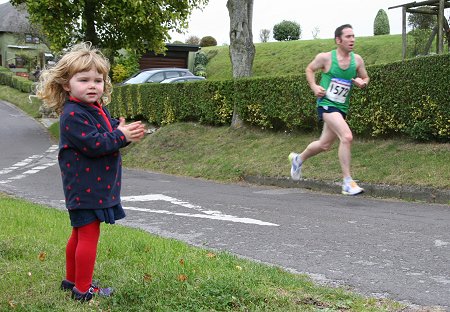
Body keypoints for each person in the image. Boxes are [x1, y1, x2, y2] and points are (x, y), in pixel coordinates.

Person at [36, 42, 146, 301]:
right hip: (85, 186)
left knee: (79, 231)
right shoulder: (73, 114)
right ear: (67, 84)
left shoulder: (94, 109)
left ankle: (72, 281)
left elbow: (106, 136)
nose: (92, 85)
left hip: (91, 185)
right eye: (84, 79)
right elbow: (96, 144)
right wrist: (119, 135)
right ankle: (83, 290)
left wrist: (122, 133)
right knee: (87, 234)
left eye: (98, 80)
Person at [289, 24, 369, 196]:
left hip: (341, 107)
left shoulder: (358, 60)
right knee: (346, 136)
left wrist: (362, 83)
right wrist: (314, 86)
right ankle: (347, 182)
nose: (352, 40)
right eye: (348, 37)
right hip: (326, 103)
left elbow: (365, 77)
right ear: (338, 40)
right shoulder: (326, 58)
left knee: (324, 145)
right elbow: (309, 69)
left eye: (353, 36)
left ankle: (298, 159)